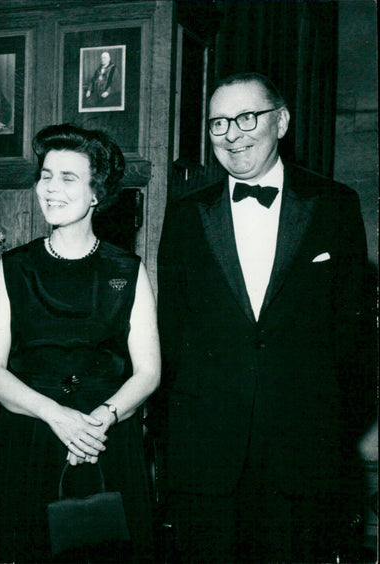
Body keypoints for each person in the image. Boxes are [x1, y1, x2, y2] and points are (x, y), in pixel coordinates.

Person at [157, 72, 372, 562]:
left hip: (304, 450)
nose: (232, 134)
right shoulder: (185, 215)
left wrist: (329, 420)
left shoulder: (335, 206)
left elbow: (353, 332)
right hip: (207, 455)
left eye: (247, 117)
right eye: (218, 124)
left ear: (282, 121)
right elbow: (172, 331)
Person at [0, 123, 161, 562]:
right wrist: (57, 416)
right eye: (46, 175)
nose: (51, 189)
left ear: (96, 192)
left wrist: (99, 420)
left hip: (106, 441)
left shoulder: (127, 269)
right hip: (30, 439)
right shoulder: (16, 267)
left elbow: (150, 370)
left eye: (68, 178)